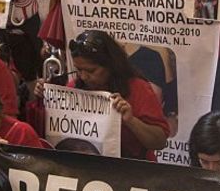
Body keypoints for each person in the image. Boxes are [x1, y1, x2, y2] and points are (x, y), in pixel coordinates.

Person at [62, 30, 169, 161]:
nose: (83, 77)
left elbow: (160, 142)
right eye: (79, 70)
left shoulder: (138, 88)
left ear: (110, 65)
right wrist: (43, 99)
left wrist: (131, 121)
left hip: (133, 169)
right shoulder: (74, 88)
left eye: (91, 70)